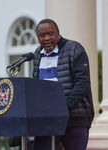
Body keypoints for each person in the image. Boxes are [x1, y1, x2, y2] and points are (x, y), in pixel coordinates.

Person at [32, 18, 94, 150]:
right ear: (38, 38)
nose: (47, 38)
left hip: (75, 118)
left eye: (50, 33)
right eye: (42, 35)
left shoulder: (74, 49)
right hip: (47, 120)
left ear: (58, 33)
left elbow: (82, 84)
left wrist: (62, 106)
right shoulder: (37, 54)